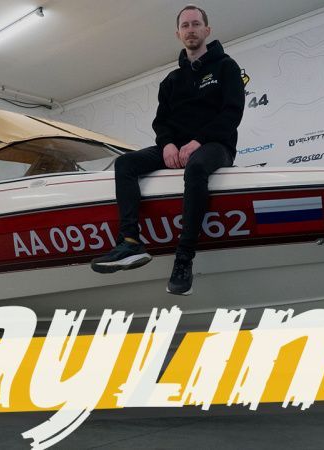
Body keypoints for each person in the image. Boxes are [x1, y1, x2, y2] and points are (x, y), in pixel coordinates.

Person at [90, 4, 245, 295]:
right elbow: (161, 122)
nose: (191, 30)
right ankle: (129, 242)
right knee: (125, 164)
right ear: (178, 34)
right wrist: (168, 145)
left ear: (207, 30)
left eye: (196, 24)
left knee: (196, 167)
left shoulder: (226, 67)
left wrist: (198, 141)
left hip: (216, 146)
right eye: (185, 26)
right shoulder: (171, 81)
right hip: (178, 147)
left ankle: (183, 258)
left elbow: (232, 112)